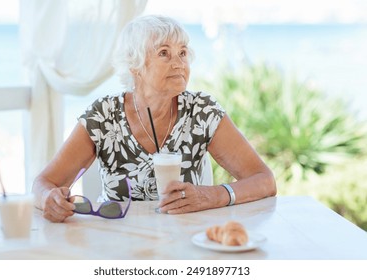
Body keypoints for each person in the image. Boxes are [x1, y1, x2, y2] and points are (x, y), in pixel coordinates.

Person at [32, 15, 276, 222]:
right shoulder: (103, 116)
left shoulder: (202, 111)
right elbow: (45, 182)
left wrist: (213, 195)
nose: (179, 63)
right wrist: (48, 199)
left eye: (182, 52)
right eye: (164, 53)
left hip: (183, 241)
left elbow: (264, 180)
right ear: (135, 65)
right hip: (116, 245)